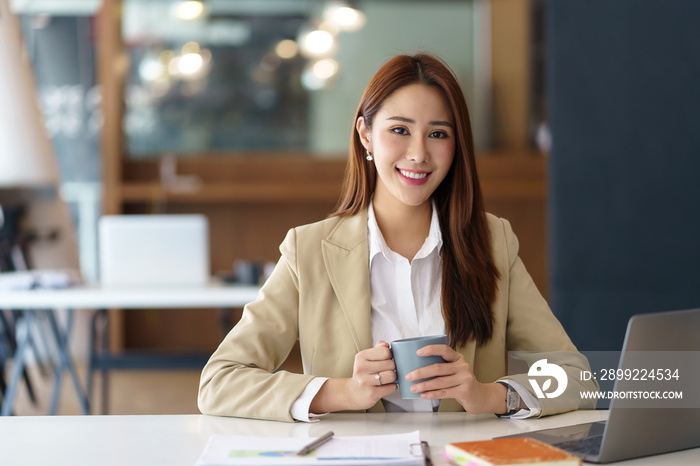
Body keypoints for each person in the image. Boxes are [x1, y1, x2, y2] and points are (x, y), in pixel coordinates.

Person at [198, 53, 598, 422]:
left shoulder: (494, 242)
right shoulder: (309, 250)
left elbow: (576, 377)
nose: (418, 153)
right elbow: (219, 382)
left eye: (438, 134)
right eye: (400, 130)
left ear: (456, 146)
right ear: (366, 135)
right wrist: (341, 392)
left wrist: (490, 396)